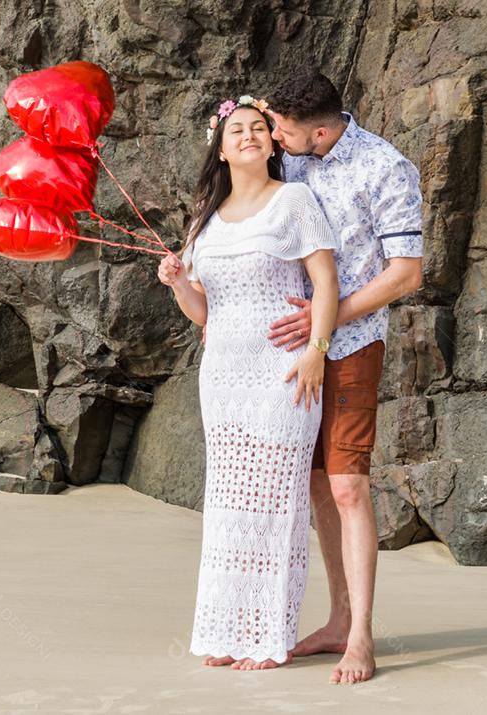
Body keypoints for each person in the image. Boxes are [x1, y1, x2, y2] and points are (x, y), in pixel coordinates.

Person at [157, 95, 340, 671]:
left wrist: (317, 352)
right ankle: (227, 630)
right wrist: (179, 283)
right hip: (224, 379)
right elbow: (204, 314)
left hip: (282, 373)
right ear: (221, 146)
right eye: (237, 129)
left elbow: (326, 285)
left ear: (271, 142)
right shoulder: (204, 220)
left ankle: (268, 636)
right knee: (230, 504)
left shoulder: (295, 200)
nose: (250, 135)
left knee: (275, 503)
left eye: (259, 127)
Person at [263, 69, 425, 685]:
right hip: (285, 346)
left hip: (352, 344)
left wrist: (326, 317)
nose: (277, 135)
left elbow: (405, 273)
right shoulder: (293, 154)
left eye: (284, 127)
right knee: (315, 486)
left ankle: (361, 637)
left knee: (350, 486)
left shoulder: (387, 168)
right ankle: (335, 619)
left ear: (323, 130)